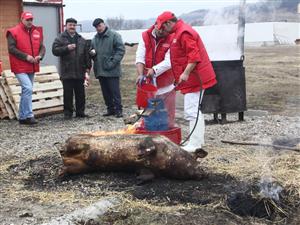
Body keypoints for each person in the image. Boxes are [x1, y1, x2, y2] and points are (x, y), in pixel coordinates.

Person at [156, 11, 217, 153]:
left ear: (169, 23)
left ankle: (195, 144)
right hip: (193, 79)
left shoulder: (184, 33)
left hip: (195, 79)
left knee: (191, 111)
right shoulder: (178, 33)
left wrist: (185, 73)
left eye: (163, 27)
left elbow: (194, 57)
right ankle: (198, 141)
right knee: (195, 110)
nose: (162, 29)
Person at [6, 11, 45, 125]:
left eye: (31, 19)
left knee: (26, 90)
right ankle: (29, 115)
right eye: (27, 19)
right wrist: (26, 57)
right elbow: (11, 49)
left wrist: (40, 56)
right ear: (22, 20)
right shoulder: (13, 32)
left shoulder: (36, 32)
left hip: (32, 65)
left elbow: (42, 47)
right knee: (28, 88)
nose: (29, 21)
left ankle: (22, 117)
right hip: (19, 66)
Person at [135, 24, 176, 127]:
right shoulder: (145, 36)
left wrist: (154, 70)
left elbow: (169, 61)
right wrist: (140, 75)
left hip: (167, 86)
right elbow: (140, 57)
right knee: (148, 115)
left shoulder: (172, 38)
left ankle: (168, 138)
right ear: (156, 26)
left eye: (166, 30)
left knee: (168, 118)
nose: (164, 32)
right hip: (149, 86)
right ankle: (148, 135)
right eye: (161, 30)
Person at [52, 18, 91, 119]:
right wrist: (66, 48)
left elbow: (86, 54)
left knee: (81, 94)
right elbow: (54, 50)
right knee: (68, 94)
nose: (72, 27)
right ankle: (68, 113)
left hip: (80, 71)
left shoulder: (81, 39)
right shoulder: (60, 38)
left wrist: (88, 68)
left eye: (74, 25)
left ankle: (80, 112)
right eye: (70, 25)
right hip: (67, 71)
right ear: (66, 26)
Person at [90, 18, 125, 118]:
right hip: (100, 70)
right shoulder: (95, 38)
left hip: (112, 70)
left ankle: (119, 110)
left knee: (115, 92)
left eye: (99, 26)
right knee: (105, 92)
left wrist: (112, 63)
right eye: (96, 27)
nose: (98, 28)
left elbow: (120, 50)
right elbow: (91, 50)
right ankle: (110, 109)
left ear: (104, 24)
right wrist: (92, 53)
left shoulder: (114, 35)